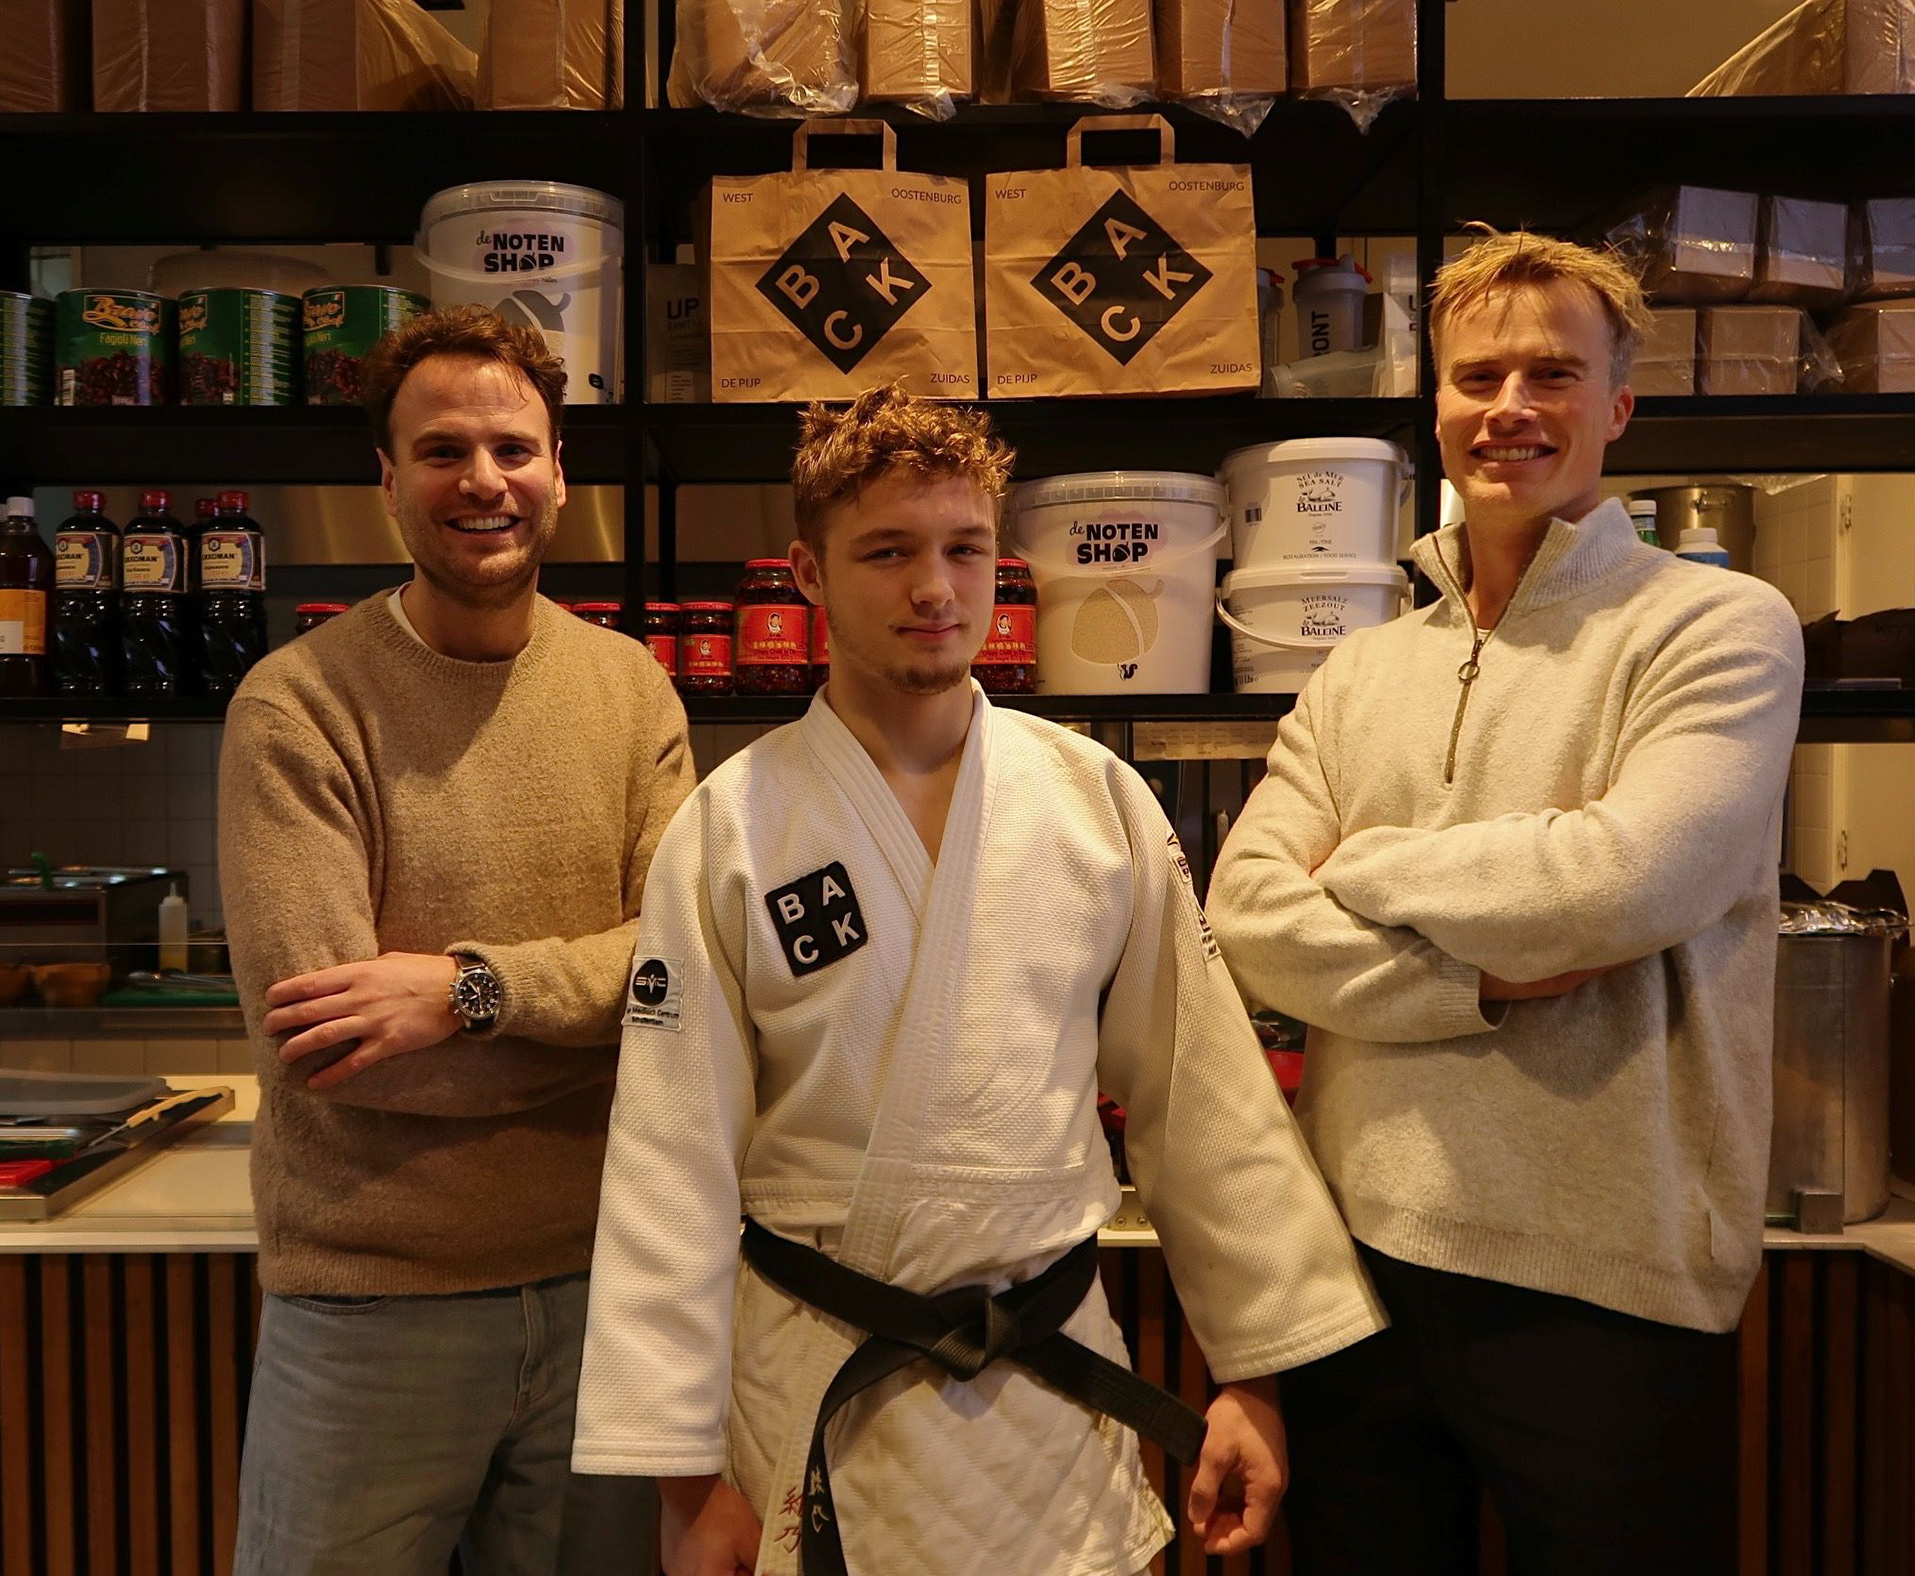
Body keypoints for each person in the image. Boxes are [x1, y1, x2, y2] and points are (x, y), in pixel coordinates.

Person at [570, 385, 1385, 1576]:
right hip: (817, 1393)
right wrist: (686, 1482)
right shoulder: (732, 826)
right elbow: (668, 1159)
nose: (934, 588)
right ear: (808, 573)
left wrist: (1253, 1377)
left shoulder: (1094, 801)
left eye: (964, 549)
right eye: (887, 552)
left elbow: (1200, 1091)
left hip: (1045, 1407)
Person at [1207, 228, 1805, 1576]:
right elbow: (1247, 911)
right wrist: (1467, 980)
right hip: (1359, 1271)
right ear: (1436, 404)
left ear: (1618, 405)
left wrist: (1362, 865)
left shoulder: (1717, 627)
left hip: (1612, 1286)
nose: (1511, 408)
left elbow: (1629, 877)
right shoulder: (1361, 671)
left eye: (1553, 375)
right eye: (1478, 377)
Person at [218, 304, 693, 1576]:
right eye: (441, 451)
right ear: (387, 480)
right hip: (368, 1314)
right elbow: (334, 1046)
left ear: (558, 475)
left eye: (512, 448)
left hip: (603, 1298)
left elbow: (680, 976)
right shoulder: (297, 707)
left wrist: (468, 991)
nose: (483, 479)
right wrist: (590, 1021)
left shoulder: (631, 689)